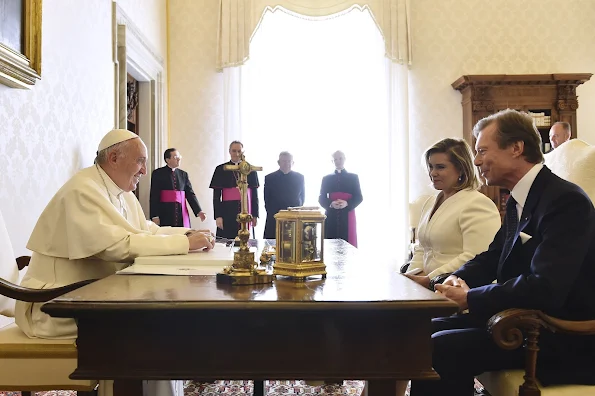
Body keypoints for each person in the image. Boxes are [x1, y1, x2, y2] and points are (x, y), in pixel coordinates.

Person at [14, 129, 214, 396]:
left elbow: (146, 231)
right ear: (114, 157)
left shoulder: (122, 192)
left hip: (91, 297)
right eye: (140, 160)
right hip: (56, 305)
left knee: (159, 320)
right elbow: (115, 247)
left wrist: (187, 234)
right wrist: (185, 244)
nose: (144, 170)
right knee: (148, 328)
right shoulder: (82, 190)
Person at [409, 109, 595, 395]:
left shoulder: (566, 201)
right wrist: (452, 280)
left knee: (440, 345)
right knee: (422, 329)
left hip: (557, 333)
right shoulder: (519, 197)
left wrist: (470, 297)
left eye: (483, 150)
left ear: (516, 148)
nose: (477, 160)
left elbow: (546, 287)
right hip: (521, 319)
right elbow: (492, 257)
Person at [404, 138, 501, 289]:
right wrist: (410, 279)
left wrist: (431, 279)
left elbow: (475, 256)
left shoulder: (477, 203)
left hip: (458, 289)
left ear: (461, 169)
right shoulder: (430, 202)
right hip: (427, 289)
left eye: (440, 167)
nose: (433, 173)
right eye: (430, 166)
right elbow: (423, 248)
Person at [209, 141, 259, 240]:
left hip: (246, 210)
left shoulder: (250, 169)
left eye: (239, 151)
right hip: (227, 211)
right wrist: (218, 216)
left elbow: (254, 195)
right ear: (229, 152)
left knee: (245, 241)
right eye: (234, 151)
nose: (236, 154)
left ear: (243, 152)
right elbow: (216, 196)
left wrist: (255, 215)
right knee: (226, 242)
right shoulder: (221, 169)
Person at [150, 148, 206, 227]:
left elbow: (190, 194)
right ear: (167, 160)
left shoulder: (183, 174)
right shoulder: (158, 173)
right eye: (175, 157)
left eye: (179, 156)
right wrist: (155, 216)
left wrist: (199, 211)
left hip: (181, 213)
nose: (179, 159)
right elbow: (154, 195)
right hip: (165, 213)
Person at [318, 150, 363, 247]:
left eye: (340, 158)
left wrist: (347, 203)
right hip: (331, 215)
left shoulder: (353, 177)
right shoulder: (326, 178)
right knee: (330, 244)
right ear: (332, 161)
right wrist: (331, 204)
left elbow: (359, 197)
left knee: (348, 245)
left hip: (347, 213)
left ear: (345, 159)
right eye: (335, 159)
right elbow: (321, 197)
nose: (338, 161)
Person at [263, 151, 305, 239]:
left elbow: (302, 197)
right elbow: (267, 199)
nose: (287, 163)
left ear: (293, 163)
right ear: (279, 163)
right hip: (275, 217)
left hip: (294, 217)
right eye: (284, 161)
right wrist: (274, 214)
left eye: (289, 161)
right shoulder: (269, 178)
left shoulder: (300, 177)